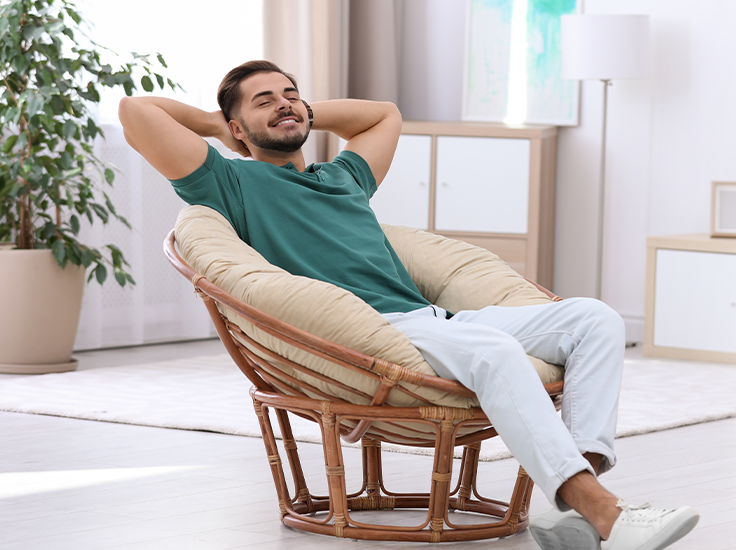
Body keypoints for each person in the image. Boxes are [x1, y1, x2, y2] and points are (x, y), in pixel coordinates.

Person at [119, 60, 698, 550]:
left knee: (594, 318)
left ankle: (578, 504)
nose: (285, 105)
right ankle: (609, 514)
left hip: (436, 321)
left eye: (291, 95)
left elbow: (383, 115)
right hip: (377, 332)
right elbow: (135, 113)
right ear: (236, 125)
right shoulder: (228, 181)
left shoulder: (344, 177)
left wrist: (301, 110)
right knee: (497, 352)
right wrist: (217, 128)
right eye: (264, 101)